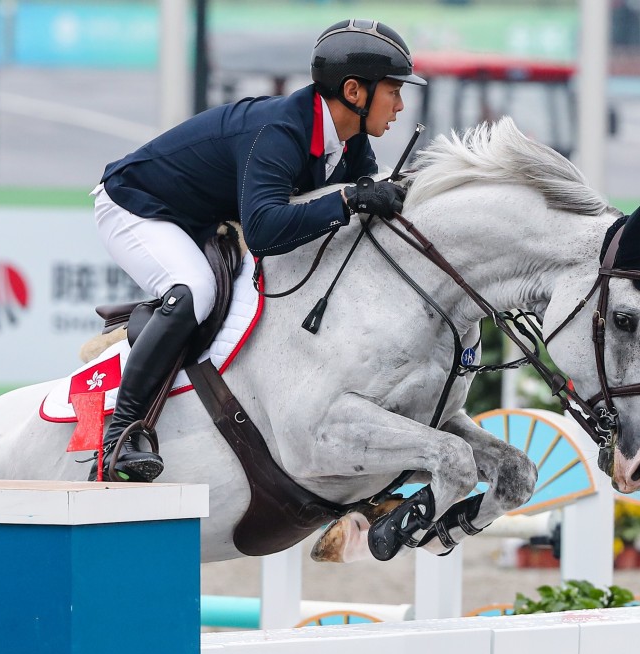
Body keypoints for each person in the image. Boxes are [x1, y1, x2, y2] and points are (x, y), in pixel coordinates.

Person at [89, 19, 426, 482]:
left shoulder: (350, 140)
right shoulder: (278, 134)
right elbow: (266, 231)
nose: (401, 104)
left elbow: (369, 204)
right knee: (194, 290)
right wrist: (348, 199)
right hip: (138, 204)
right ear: (354, 91)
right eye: (393, 90)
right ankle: (122, 433)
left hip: (202, 215)